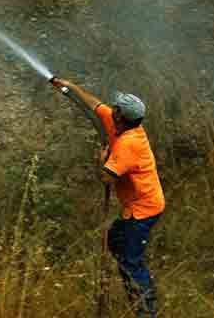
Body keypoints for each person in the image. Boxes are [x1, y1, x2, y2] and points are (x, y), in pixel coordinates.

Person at [50, 77, 165, 318]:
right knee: (116, 241)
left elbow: (106, 178)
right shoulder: (120, 123)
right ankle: (133, 280)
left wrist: (101, 159)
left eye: (116, 109)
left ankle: (147, 310)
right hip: (135, 206)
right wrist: (71, 87)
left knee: (131, 259)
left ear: (121, 117)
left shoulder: (129, 144)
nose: (110, 110)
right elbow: (95, 104)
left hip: (144, 209)